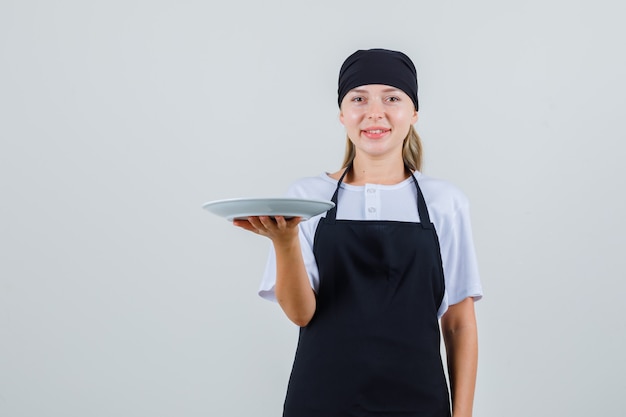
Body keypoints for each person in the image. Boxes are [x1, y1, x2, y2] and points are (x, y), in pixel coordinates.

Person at [234, 48, 483, 417]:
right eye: (359, 98)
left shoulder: (445, 202)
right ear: (342, 114)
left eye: (392, 98)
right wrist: (284, 241)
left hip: (420, 403)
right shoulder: (306, 199)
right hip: (320, 402)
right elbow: (302, 314)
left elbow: (460, 324)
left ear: (413, 113)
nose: (374, 112)